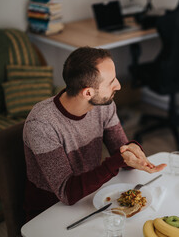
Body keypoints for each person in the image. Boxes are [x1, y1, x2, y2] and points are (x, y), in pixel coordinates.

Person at [23, 47, 166, 220]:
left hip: (91, 196)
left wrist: (132, 149)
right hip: (51, 211)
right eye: (111, 81)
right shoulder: (42, 124)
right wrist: (118, 160)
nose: (119, 85)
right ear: (88, 92)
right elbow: (67, 193)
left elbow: (121, 153)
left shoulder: (103, 106)